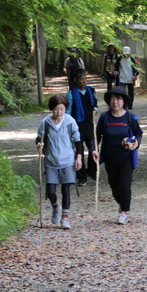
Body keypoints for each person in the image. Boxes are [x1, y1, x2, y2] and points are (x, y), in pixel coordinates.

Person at [92, 86, 143, 225]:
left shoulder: (130, 117)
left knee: (125, 185)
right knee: (114, 186)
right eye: (112, 99)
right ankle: (122, 204)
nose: (115, 102)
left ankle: (123, 212)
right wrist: (94, 149)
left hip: (126, 156)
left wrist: (136, 143)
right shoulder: (105, 117)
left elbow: (139, 133)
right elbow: (96, 137)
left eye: (118, 99)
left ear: (124, 101)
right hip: (110, 157)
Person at [36, 94, 84, 230]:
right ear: (52, 109)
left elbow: (78, 141)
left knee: (66, 189)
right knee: (50, 190)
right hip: (51, 161)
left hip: (67, 160)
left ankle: (65, 219)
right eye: (56, 109)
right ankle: (56, 206)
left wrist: (79, 157)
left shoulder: (70, 121)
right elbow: (40, 139)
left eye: (62, 109)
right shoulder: (45, 122)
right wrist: (39, 145)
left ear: (65, 109)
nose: (59, 112)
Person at [66, 69, 98, 186]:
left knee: (93, 148)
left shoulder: (91, 90)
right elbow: (68, 112)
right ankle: (81, 176)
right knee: (79, 150)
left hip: (90, 123)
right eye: (81, 79)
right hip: (77, 125)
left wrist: (95, 109)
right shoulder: (71, 94)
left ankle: (92, 171)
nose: (84, 82)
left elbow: (94, 103)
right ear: (75, 80)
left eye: (85, 79)